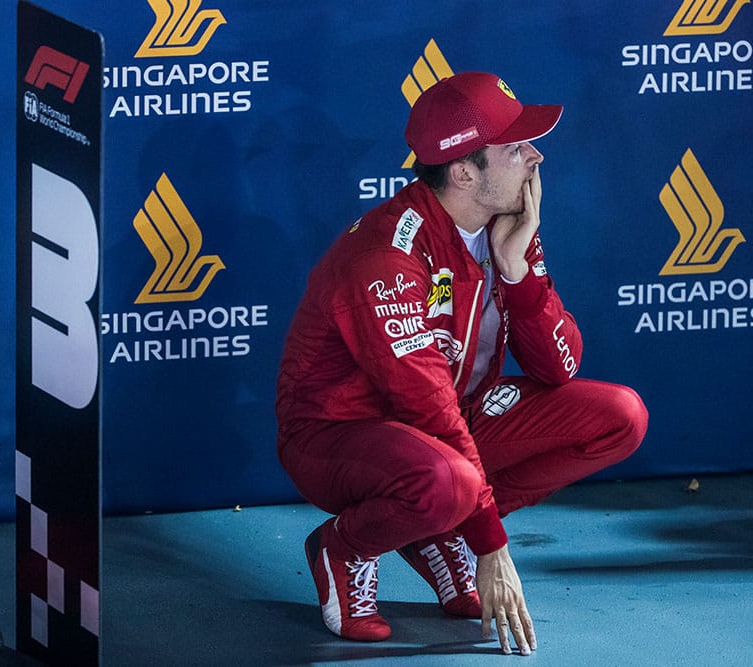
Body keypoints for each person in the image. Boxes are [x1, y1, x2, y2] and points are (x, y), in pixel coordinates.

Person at [274, 71, 648, 656]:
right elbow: (424, 407)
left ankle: (440, 523)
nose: (535, 155)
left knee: (619, 415)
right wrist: (492, 546)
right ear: (465, 171)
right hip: (335, 435)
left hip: (452, 422)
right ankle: (344, 547)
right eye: (516, 146)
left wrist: (517, 269)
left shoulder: (502, 230)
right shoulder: (387, 255)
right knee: (449, 478)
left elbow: (560, 367)